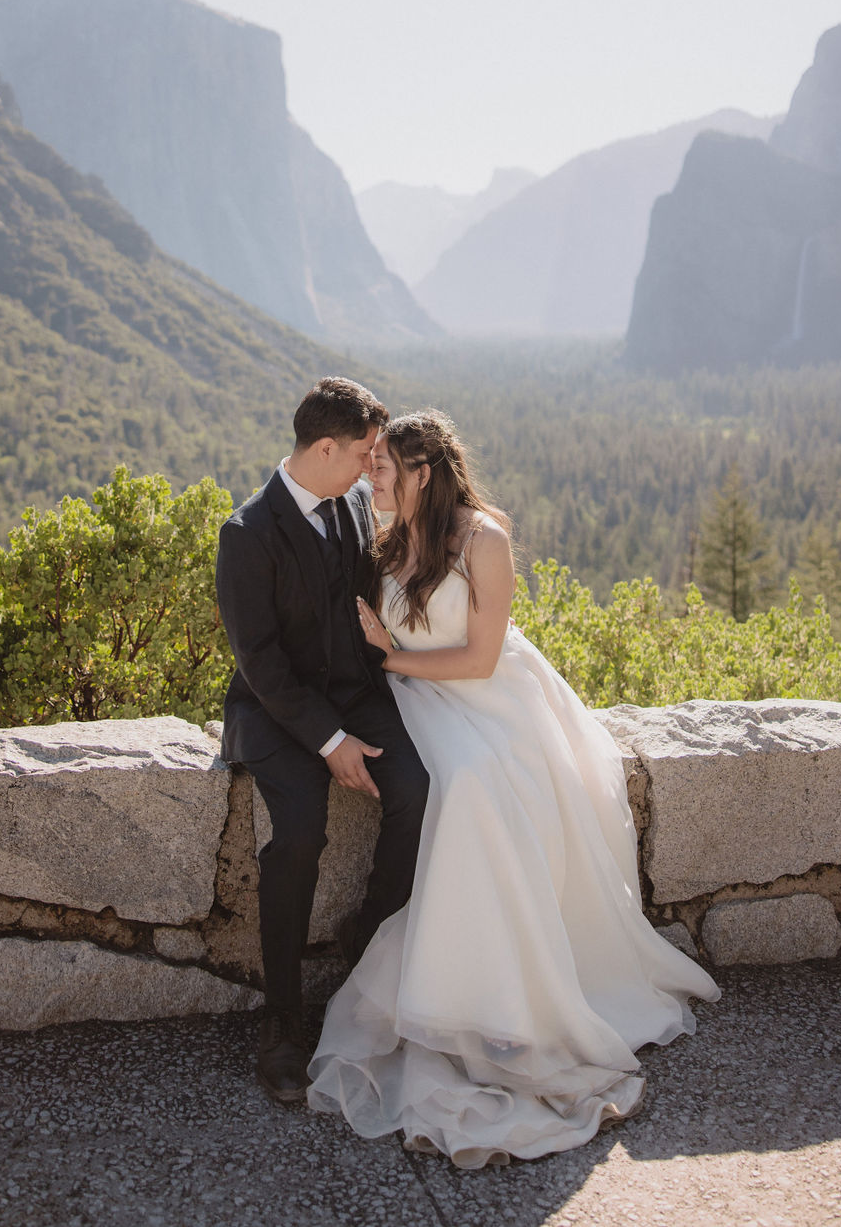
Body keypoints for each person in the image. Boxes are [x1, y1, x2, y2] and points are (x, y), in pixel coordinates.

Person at [306, 410, 720, 1168]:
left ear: (424, 471)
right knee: (447, 781)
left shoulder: (483, 538)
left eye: (386, 468)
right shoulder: (388, 532)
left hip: (485, 696)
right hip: (418, 699)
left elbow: (479, 657)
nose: (373, 478)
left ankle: (499, 999)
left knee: (472, 784)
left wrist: (388, 655)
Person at [215, 377, 430, 1104]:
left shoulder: (353, 507)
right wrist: (330, 739)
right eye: (367, 453)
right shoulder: (245, 533)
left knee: (417, 785)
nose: (375, 467)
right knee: (301, 827)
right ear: (326, 447)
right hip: (275, 713)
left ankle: (366, 937)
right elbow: (262, 663)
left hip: (355, 695)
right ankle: (282, 1021)